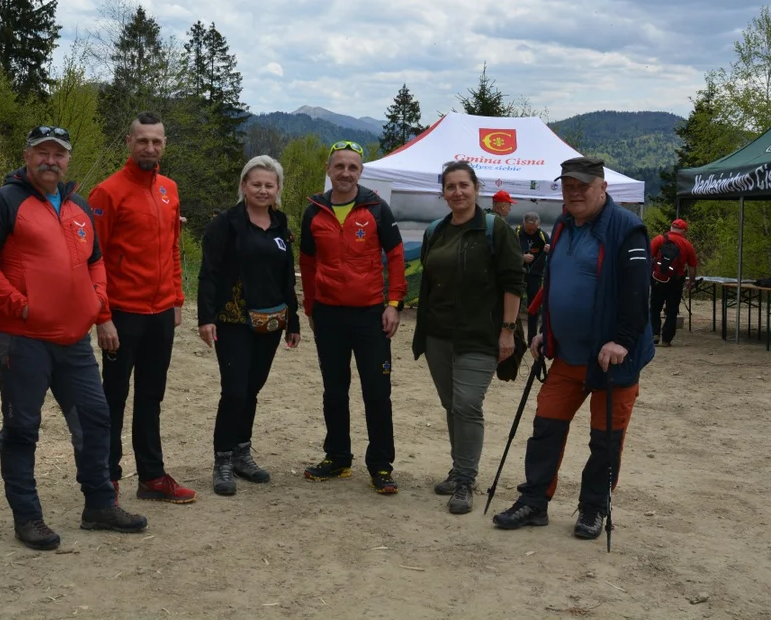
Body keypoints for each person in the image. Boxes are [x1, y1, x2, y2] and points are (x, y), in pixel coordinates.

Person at [0, 125, 148, 552]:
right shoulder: (1, 201)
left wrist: (99, 303)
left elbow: (96, 261)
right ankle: (28, 517)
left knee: (95, 418)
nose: (51, 160)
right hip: (21, 337)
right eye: (42, 152)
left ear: (68, 159)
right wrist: (17, 303)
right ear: (27, 155)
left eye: (59, 154)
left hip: (73, 337)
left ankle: (100, 504)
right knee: (21, 429)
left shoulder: (79, 206)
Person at [492, 157, 655, 540]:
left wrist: (623, 341)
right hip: (566, 354)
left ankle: (594, 509)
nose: (575, 192)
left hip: (612, 359)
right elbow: (553, 284)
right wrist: (544, 332)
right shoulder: (563, 225)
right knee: (545, 427)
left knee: (605, 440)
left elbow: (637, 295)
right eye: (568, 185)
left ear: (603, 187)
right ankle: (534, 502)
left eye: (583, 185)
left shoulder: (627, 229)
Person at [88, 112, 196, 504]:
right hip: (122, 314)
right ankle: (107, 476)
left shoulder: (169, 189)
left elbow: (172, 248)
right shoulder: (108, 192)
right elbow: (92, 259)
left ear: (164, 144)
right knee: (113, 397)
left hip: (161, 313)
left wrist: (177, 299)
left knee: (151, 396)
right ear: (129, 143)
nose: (150, 148)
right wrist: (102, 316)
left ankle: (151, 477)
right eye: (142, 141)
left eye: (157, 141)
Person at [410, 162, 525, 514]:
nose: (457, 192)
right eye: (450, 187)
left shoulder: (496, 229)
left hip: (480, 335)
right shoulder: (436, 231)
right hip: (438, 336)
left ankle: (465, 481)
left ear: (477, 188)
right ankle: (459, 468)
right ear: (442, 193)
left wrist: (508, 331)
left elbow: (513, 282)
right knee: (452, 406)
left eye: (464, 185)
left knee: (466, 405)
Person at [299, 140, 408, 494]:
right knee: (334, 390)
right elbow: (308, 263)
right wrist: (311, 308)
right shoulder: (313, 211)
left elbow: (395, 257)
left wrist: (394, 304)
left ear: (361, 172)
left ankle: (380, 465)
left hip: (370, 316)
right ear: (329, 170)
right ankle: (338, 458)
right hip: (329, 315)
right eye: (339, 167)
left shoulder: (377, 209)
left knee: (377, 391)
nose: (345, 173)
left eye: (352, 167)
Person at [197, 156, 302, 496]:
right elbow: (209, 273)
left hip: (271, 320)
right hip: (232, 320)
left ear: (277, 190)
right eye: (256, 183)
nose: (262, 189)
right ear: (243, 185)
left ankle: (243, 453)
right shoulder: (225, 224)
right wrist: (206, 317)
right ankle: (223, 460)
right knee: (235, 391)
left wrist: (294, 320)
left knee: (252, 390)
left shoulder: (280, 225)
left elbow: (287, 277)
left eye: (269, 185)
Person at [649, 219, 698, 347]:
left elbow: (648, 256)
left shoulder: (659, 239)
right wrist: (691, 281)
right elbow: (692, 266)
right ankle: (666, 339)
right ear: (683, 230)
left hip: (658, 279)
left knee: (655, 307)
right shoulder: (687, 245)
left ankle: (654, 334)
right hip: (676, 280)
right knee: (672, 310)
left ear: (671, 227)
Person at [518, 212, 551, 343]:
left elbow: (555, 251)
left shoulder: (542, 235)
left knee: (533, 308)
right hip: (519, 275)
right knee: (515, 307)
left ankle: (532, 338)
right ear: (523, 224)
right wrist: (522, 257)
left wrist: (550, 249)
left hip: (535, 276)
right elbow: (507, 253)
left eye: (534, 229)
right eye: (528, 229)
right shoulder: (516, 233)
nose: (531, 232)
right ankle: (516, 338)